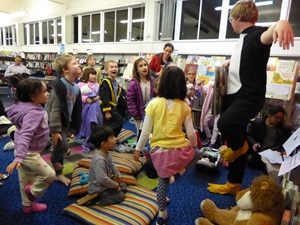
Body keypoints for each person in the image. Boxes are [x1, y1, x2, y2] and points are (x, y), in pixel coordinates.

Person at [207, 0, 294, 195]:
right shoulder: (243, 40)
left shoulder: (255, 35)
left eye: (231, 19)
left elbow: (268, 35)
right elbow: (245, 60)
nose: (231, 23)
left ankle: (241, 147)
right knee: (233, 137)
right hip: (237, 96)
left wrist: (281, 24)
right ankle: (233, 184)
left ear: (237, 18)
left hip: (248, 97)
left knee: (225, 125)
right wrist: (230, 64)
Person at [134, 66, 204, 225]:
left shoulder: (153, 104)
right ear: (182, 86)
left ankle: (161, 214)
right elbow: (192, 133)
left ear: (162, 83)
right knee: (200, 154)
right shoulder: (185, 106)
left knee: (162, 184)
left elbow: (145, 132)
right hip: (181, 150)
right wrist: (193, 147)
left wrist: (138, 150)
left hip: (159, 153)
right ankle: (178, 173)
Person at [5, 78, 56, 213]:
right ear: (32, 96)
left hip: (26, 151)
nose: (48, 94)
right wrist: (19, 157)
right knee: (49, 175)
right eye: (44, 92)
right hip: (28, 153)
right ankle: (32, 192)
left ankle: (28, 206)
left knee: (26, 179)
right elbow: (26, 135)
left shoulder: (30, 106)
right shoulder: (33, 113)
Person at [44, 54, 82, 186]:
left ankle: (58, 174)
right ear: (66, 70)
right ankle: (53, 159)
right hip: (55, 123)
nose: (79, 65)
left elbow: (77, 109)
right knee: (64, 146)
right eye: (75, 64)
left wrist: (73, 127)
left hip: (66, 123)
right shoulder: (58, 86)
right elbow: (54, 109)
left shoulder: (76, 87)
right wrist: (54, 130)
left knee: (60, 146)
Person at [246, 105, 291, 182]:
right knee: (250, 159)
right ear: (269, 115)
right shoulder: (258, 123)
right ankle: (265, 166)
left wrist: (284, 150)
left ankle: (266, 167)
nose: (279, 120)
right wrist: (253, 143)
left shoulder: (283, 127)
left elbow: (287, 141)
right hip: (262, 150)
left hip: (276, 152)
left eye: (281, 118)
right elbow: (248, 135)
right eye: (277, 117)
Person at [87, 125, 126, 206]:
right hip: (98, 188)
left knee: (124, 186)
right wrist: (115, 185)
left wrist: (118, 176)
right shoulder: (99, 159)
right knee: (120, 196)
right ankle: (99, 200)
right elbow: (102, 179)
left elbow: (112, 165)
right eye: (112, 137)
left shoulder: (106, 152)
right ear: (104, 144)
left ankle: (110, 192)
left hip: (105, 184)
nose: (115, 139)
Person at [126, 58, 156, 141]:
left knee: (151, 133)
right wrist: (136, 114)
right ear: (137, 70)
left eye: (145, 65)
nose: (144, 67)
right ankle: (140, 150)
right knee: (141, 133)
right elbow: (130, 100)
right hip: (139, 114)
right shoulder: (133, 84)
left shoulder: (153, 81)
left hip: (152, 112)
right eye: (141, 66)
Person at [76, 67, 103, 153]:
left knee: (95, 125)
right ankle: (86, 140)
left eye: (95, 74)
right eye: (92, 74)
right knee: (87, 124)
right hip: (85, 108)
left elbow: (100, 95)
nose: (94, 76)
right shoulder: (80, 84)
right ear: (87, 74)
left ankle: (93, 140)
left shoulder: (97, 85)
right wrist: (86, 98)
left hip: (96, 108)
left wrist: (98, 97)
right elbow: (78, 96)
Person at [100, 60, 124, 137]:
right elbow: (104, 97)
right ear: (106, 70)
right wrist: (107, 111)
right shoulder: (105, 82)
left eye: (116, 67)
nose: (114, 69)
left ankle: (111, 138)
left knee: (117, 121)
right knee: (115, 122)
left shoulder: (116, 83)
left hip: (114, 107)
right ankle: (107, 138)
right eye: (111, 67)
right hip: (108, 107)